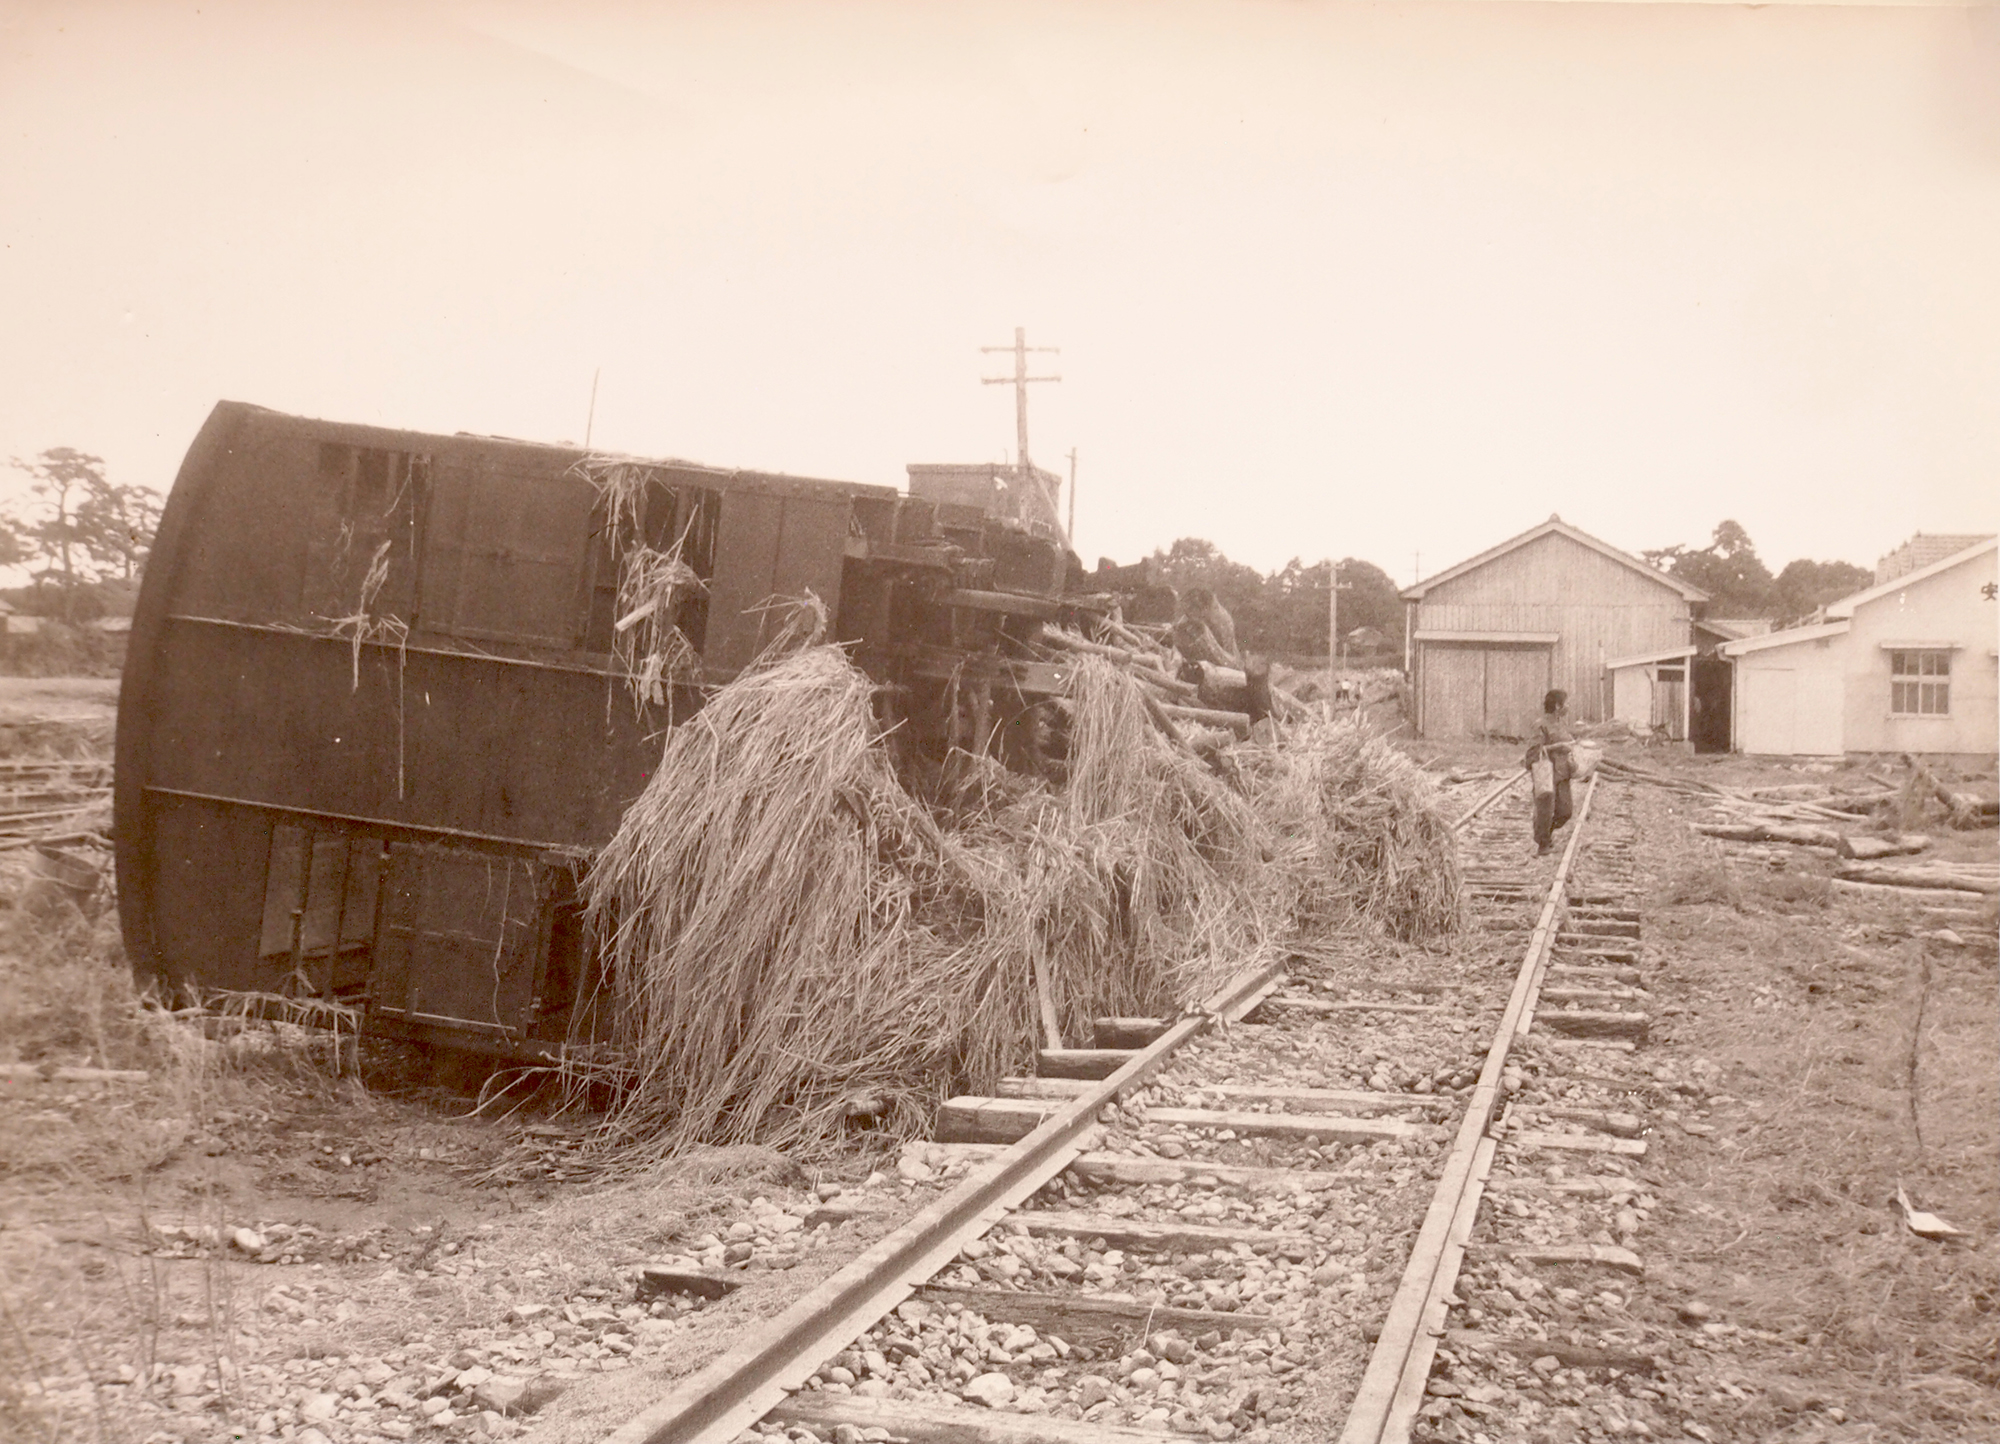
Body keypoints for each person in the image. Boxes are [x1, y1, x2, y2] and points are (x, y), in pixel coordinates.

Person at [1529, 689, 1574, 855]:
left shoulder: (1561, 723)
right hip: (1546, 773)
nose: (1568, 706)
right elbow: (1534, 751)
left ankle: (1544, 831)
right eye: (1566, 703)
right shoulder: (1540, 725)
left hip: (1563, 774)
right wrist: (1558, 747)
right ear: (1557, 705)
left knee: (1566, 812)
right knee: (1545, 811)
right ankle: (1543, 842)